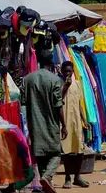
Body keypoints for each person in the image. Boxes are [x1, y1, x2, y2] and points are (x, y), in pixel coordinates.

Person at [24, 50, 67, 193]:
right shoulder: (55, 80)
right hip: (51, 122)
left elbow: (23, 103)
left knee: (40, 153)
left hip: (35, 122)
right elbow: (58, 105)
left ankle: (44, 182)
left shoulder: (28, 79)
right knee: (56, 153)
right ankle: (47, 177)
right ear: (51, 62)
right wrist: (64, 125)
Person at [60, 61, 89, 189]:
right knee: (66, 150)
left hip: (76, 121)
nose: (68, 73)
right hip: (65, 122)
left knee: (79, 149)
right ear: (62, 72)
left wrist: (84, 120)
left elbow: (79, 104)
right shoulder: (59, 84)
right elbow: (58, 100)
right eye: (66, 71)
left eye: (70, 71)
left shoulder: (77, 84)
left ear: (73, 72)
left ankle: (77, 177)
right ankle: (67, 178)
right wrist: (65, 86)